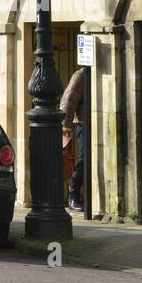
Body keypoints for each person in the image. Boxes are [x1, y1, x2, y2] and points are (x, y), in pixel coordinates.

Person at [60, 67, 86, 212]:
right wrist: (66, 127)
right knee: (85, 160)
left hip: (96, 121)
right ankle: (73, 195)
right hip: (84, 123)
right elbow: (69, 99)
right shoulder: (81, 75)